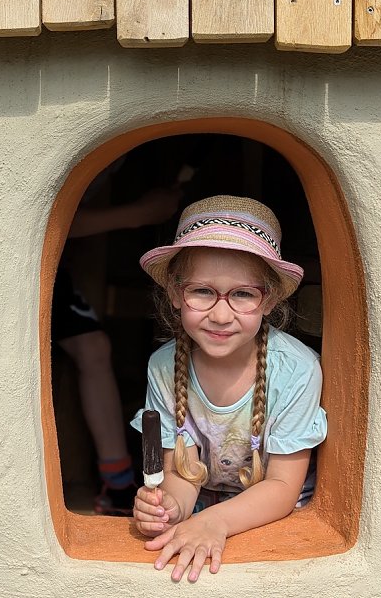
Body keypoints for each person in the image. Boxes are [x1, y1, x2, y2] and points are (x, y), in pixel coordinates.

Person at [130, 195, 327, 581]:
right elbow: (181, 474)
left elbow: (283, 486)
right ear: (175, 294)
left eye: (243, 294)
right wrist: (169, 506)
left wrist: (215, 523)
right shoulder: (164, 366)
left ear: (269, 300)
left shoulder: (297, 370)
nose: (221, 315)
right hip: (203, 515)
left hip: (276, 519)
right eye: (202, 291)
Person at [54, 184, 181, 515]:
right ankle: (118, 481)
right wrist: (137, 214)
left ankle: (118, 481)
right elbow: (49, 216)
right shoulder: (165, 363)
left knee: (92, 346)